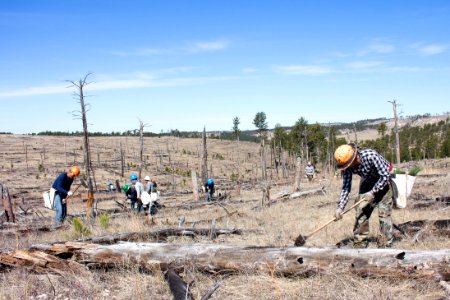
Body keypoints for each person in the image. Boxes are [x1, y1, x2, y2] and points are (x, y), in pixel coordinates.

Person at [334, 143, 395, 248]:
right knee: (361, 212)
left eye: (350, 164)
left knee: (384, 215)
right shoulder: (347, 167)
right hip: (367, 182)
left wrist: (373, 192)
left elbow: (385, 175)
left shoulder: (371, 155)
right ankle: (360, 244)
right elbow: (346, 187)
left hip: (384, 181)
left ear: (355, 156)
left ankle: (385, 246)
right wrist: (340, 207)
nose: (349, 167)